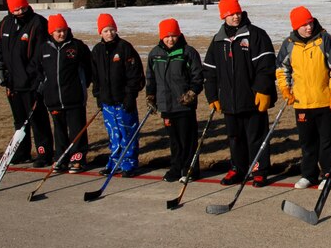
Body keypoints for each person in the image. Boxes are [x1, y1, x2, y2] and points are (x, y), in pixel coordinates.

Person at [203, 0, 277, 187]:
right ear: (223, 16)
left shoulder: (256, 35)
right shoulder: (218, 40)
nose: (235, 17)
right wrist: (212, 96)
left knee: (256, 137)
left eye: (237, 13)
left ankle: (259, 169)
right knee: (235, 138)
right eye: (230, 14)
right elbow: (210, 71)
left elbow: (266, 66)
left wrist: (262, 89)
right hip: (229, 101)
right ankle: (237, 168)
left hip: (252, 99)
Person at [275, 6, 331, 190]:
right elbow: (282, 70)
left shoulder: (324, 40)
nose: (308, 27)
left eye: (310, 23)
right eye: (304, 25)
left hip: (324, 101)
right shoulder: (289, 44)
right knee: (307, 142)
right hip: (301, 103)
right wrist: (285, 89)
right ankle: (309, 174)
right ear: (295, 27)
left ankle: (330, 174)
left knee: (328, 141)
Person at [0, 0, 53, 167]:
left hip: (32, 83)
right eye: (16, 10)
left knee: (37, 119)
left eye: (22, 8)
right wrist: (1, 69)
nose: (20, 12)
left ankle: (44, 153)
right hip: (12, 83)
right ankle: (21, 152)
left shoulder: (38, 23)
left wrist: (34, 77)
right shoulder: (5, 24)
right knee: (19, 121)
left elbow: (41, 55)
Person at [29, 14, 93, 173]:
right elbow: (37, 70)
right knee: (59, 130)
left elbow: (89, 67)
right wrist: (40, 87)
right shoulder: (44, 49)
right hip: (53, 98)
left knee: (77, 129)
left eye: (63, 30)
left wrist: (84, 84)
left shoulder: (76, 46)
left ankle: (77, 159)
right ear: (51, 32)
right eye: (58, 31)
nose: (61, 34)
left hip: (74, 98)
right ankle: (61, 158)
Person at [146, 18, 205, 182]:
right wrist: (151, 96)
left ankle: (190, 169)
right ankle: (176, 167)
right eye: (166, 36)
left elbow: (198, 77)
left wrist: (191, 93)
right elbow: (150, 79)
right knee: (174, 141)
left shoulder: (188, 52)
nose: (170, 39)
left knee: (187, 139)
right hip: (166, 105)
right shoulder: (155, 54)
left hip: (184, 105)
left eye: (173, 36)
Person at [90, 13, 145, 178]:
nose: (109, 33)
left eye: (112, 30)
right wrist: (98, 96)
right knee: (114, 135)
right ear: (100, 32)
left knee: (127, 133)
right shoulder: (97, 50)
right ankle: (114, 163)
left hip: (123, 100)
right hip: (108, 101)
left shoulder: (124, 47)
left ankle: (129, 164)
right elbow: (95, 76)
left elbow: (135, 74)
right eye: (106, 30)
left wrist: (130, 94)